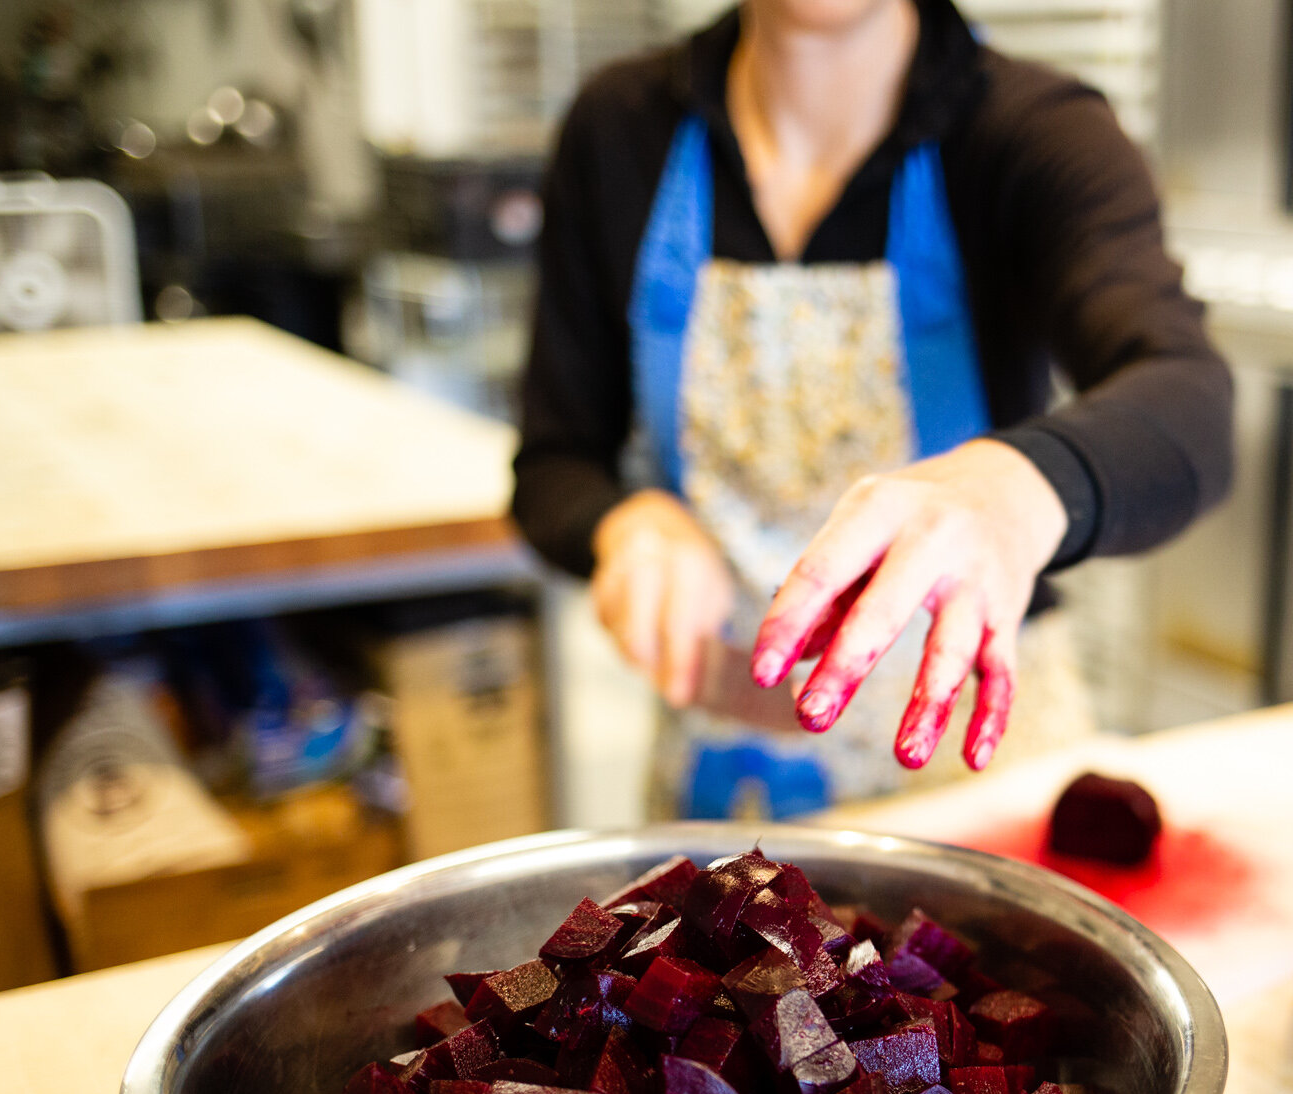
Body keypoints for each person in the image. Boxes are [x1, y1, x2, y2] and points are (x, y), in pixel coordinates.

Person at [510, 0, 1232, 818]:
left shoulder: (1034, 132)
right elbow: (553, 462)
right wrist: (625, 524)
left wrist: (1015, 486)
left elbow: (1189, 399)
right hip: (720, 777)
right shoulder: (620, 130)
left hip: (971, 776)